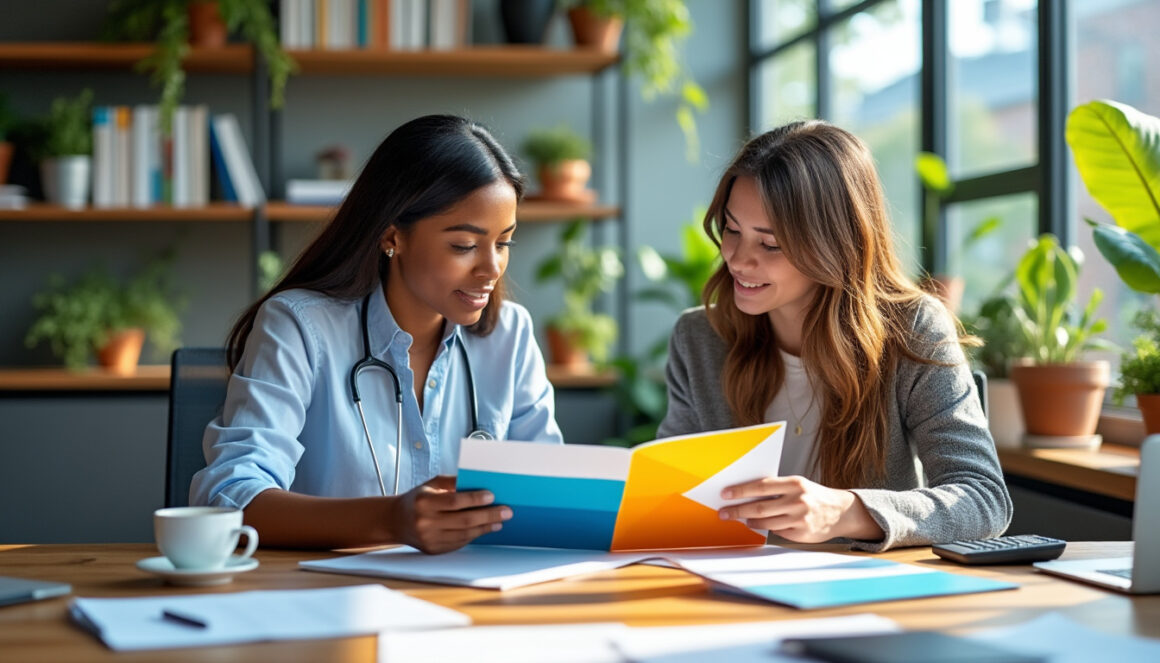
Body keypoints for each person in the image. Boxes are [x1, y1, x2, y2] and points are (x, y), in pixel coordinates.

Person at [191, 115, 564, 553]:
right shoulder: (298, 327)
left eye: (503, 243)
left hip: (471, 602)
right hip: (326, 601)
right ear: (392, 236)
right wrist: (391, 520)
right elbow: (232, 498)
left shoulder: (510, 335)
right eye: (464, 246)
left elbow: (550, 495)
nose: (491, 269)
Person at [658, 120, 1012, 551]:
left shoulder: (914, 330)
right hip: (731, 592)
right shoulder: (700, 338)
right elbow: (671, 492)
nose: (737, 259)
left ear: (834, 245)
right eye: (732, 230)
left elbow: (984, 499)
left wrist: (847, 511)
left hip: (866, 596)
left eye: (770, 245)